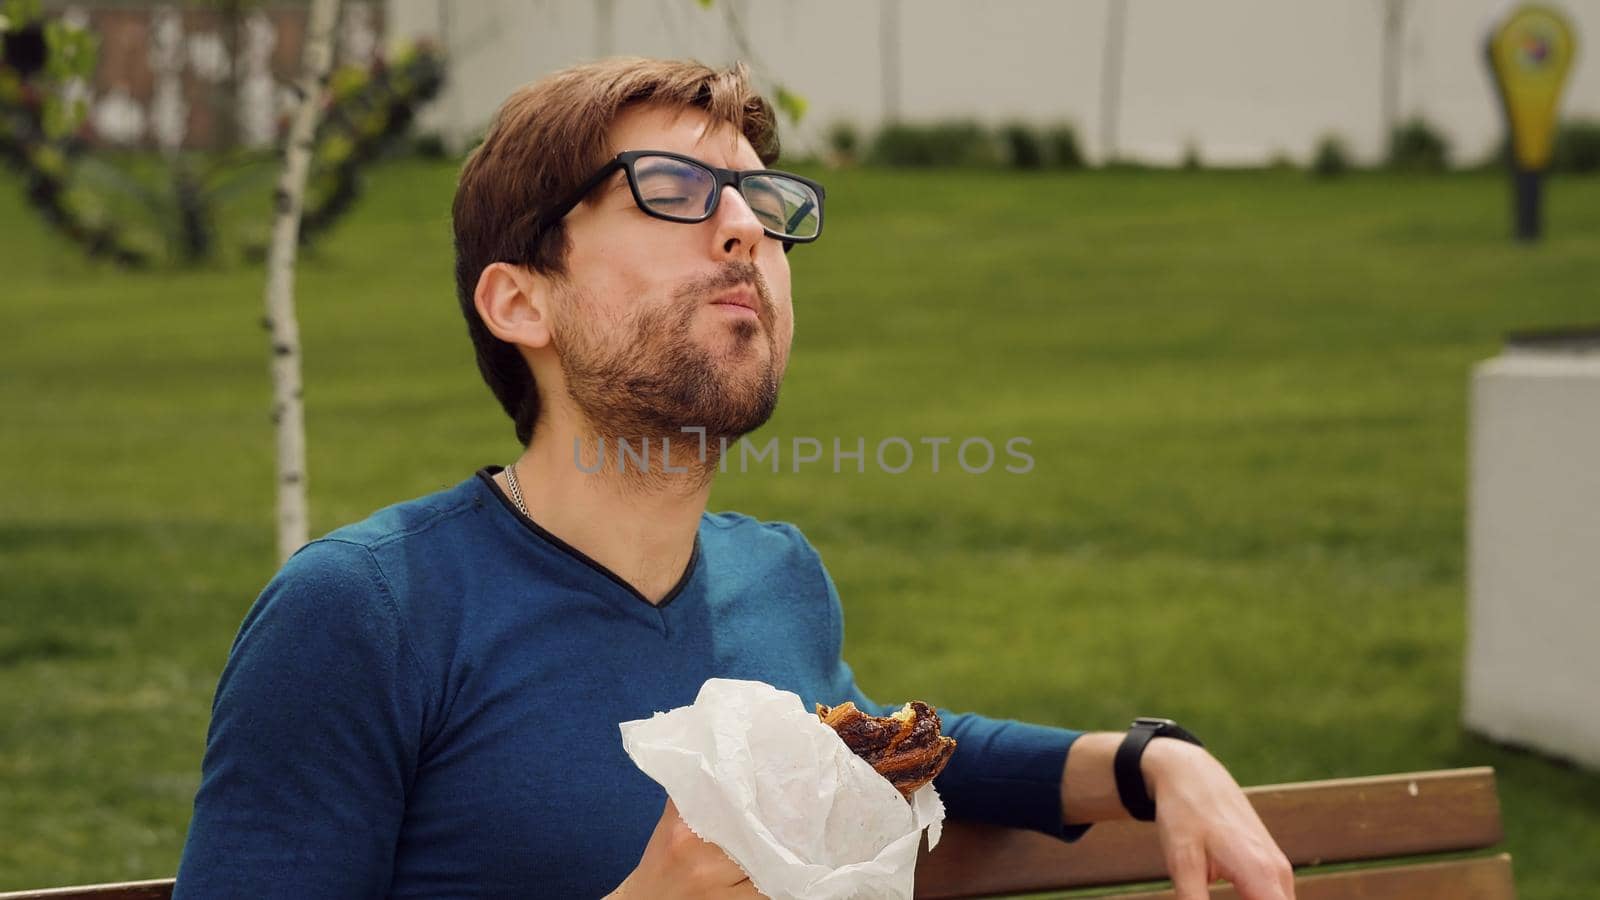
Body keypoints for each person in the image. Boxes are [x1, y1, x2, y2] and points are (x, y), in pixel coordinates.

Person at [174, 58, 1295, 900]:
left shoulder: (777, 580)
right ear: (520, 301)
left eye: (762, 206)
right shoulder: (367, 612)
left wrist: (1152, 763)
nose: (742, 233)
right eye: (670, 188)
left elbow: (886, 742)